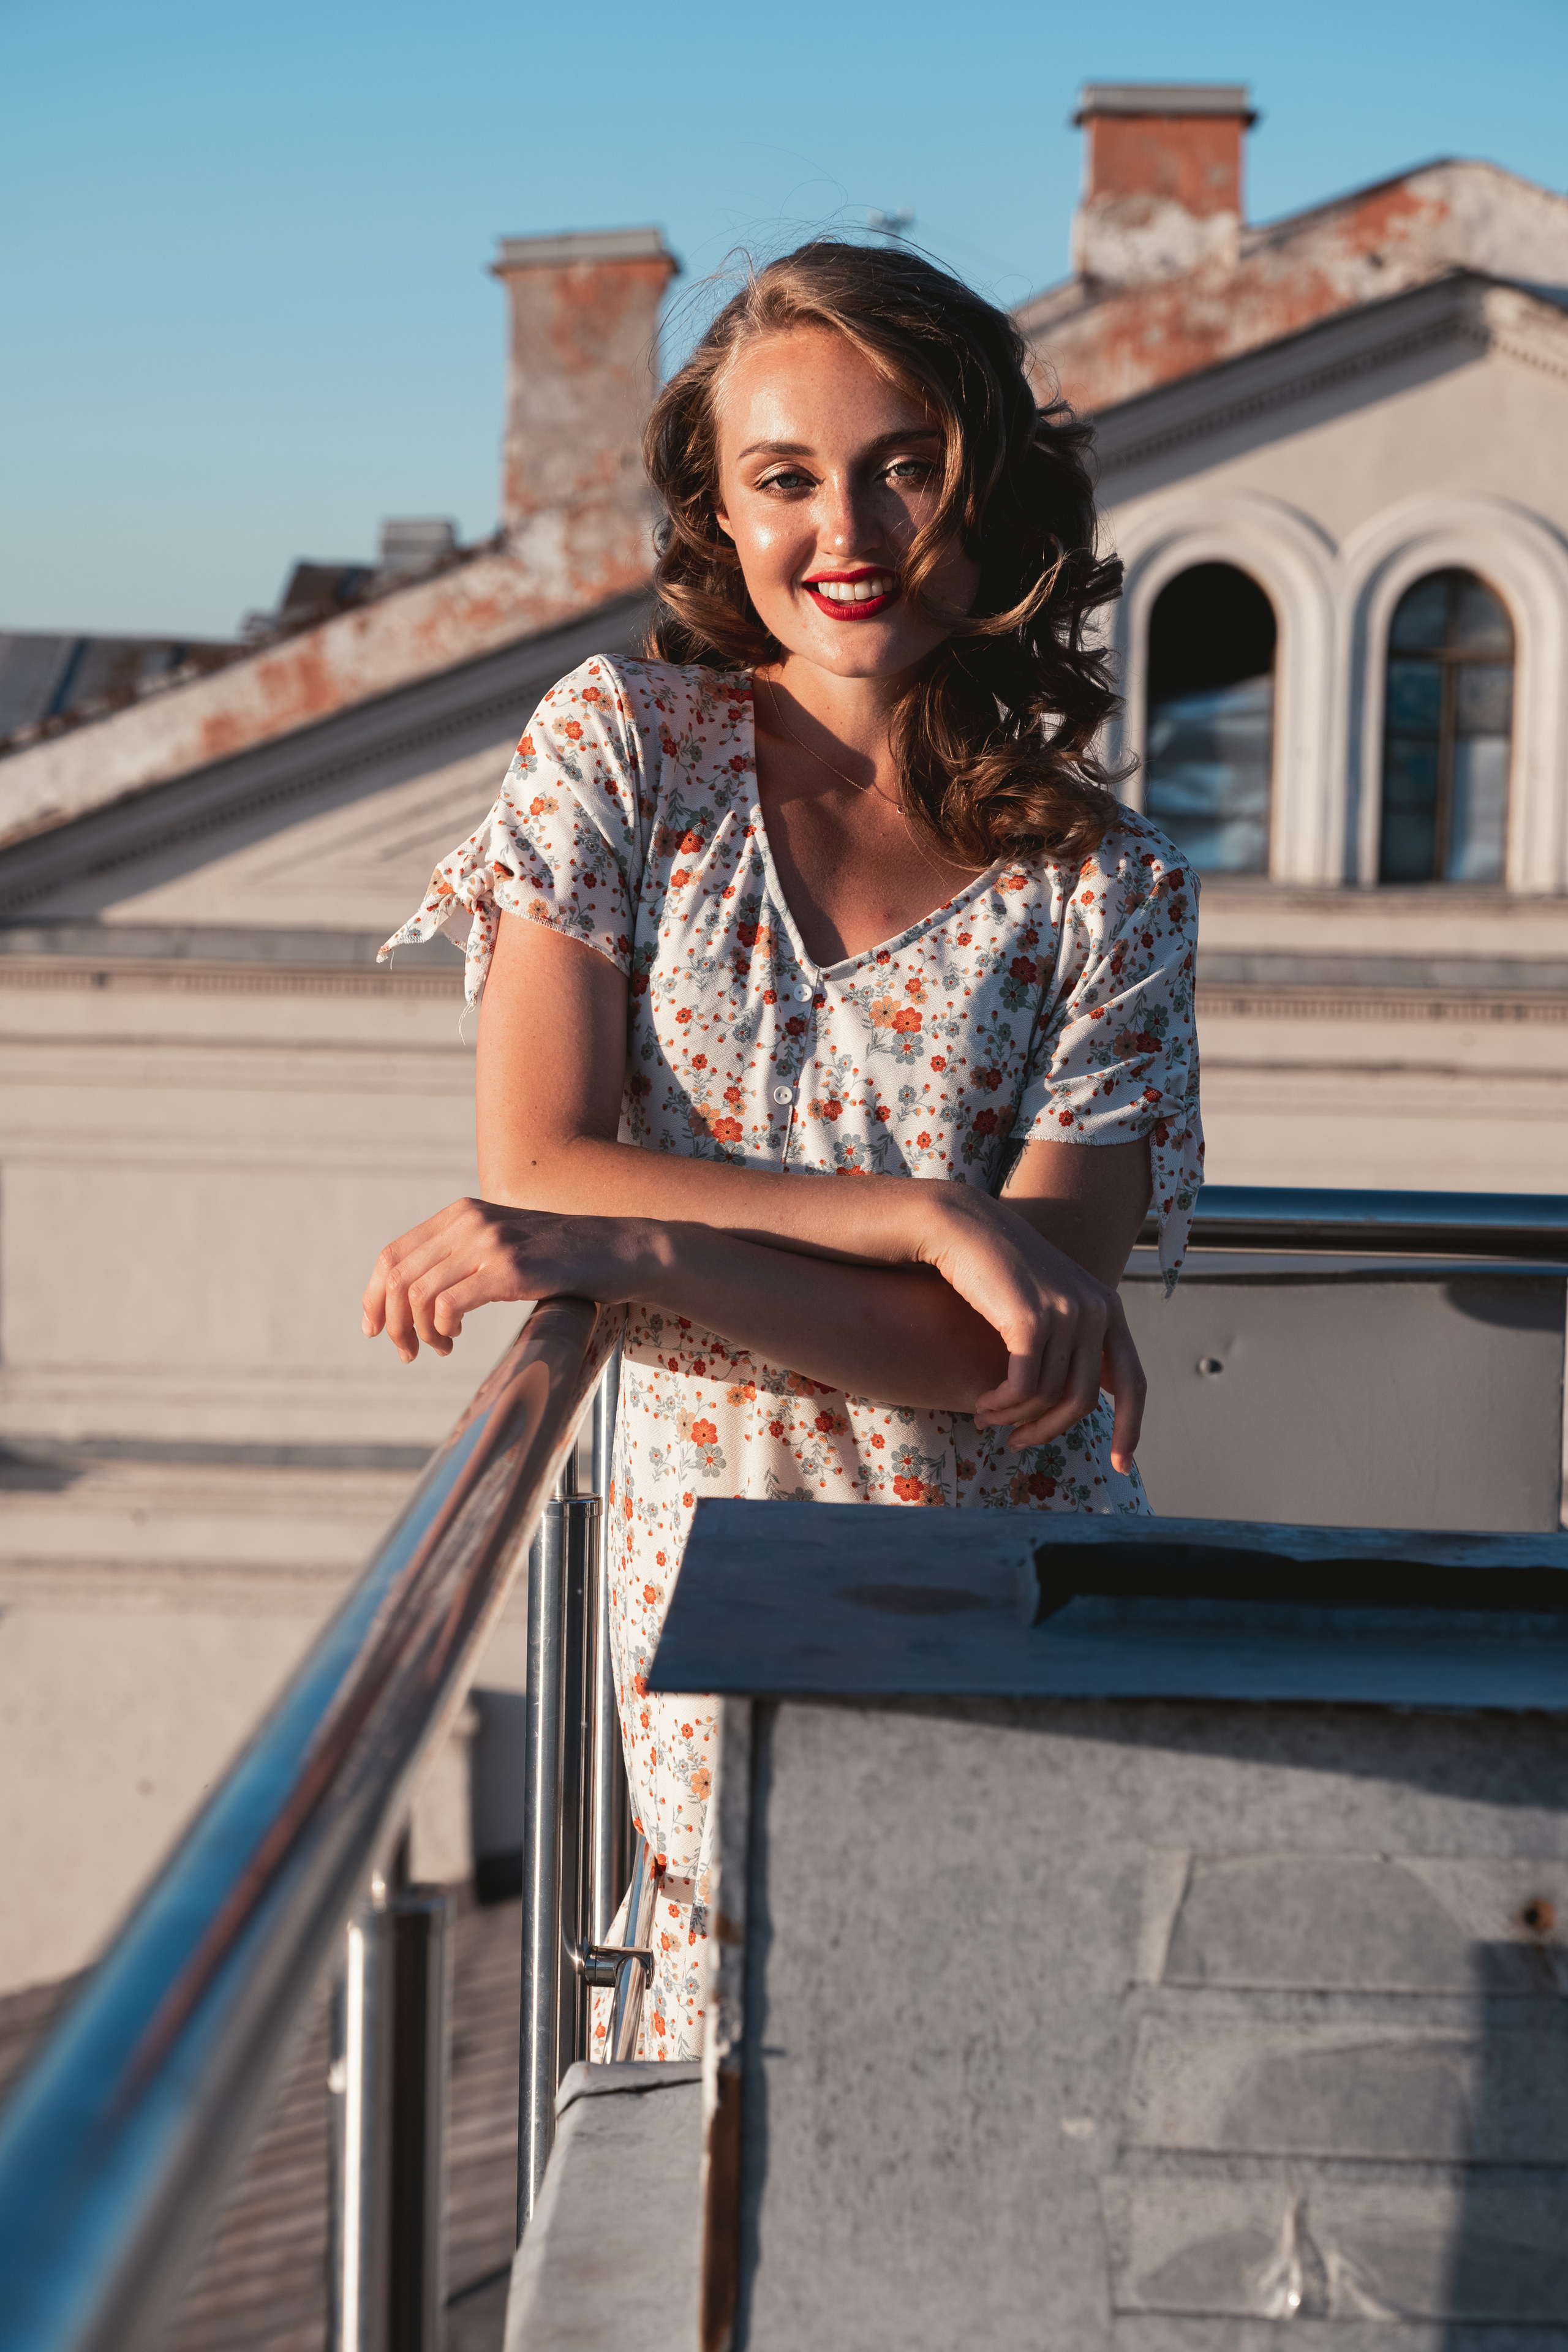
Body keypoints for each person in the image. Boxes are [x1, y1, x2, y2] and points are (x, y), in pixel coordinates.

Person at [362, 241, 1203, 2060]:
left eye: (905, 464)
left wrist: (647, 1254)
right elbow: (540, 1150)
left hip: (1019, 1593)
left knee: (1023, 2090)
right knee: (749, 2081)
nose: (850, 528)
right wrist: (924, 1216)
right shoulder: (624, 755)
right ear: (718, 512)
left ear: (991, 488)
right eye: (786, 477)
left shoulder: (1105, 884)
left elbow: (1004, 1352)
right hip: (722, 1587)